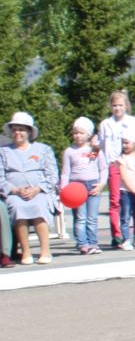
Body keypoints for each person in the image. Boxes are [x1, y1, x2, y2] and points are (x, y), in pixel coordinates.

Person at [5, 112, 59, 264]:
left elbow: (52, 175)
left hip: (39, 191)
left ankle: (45, 251)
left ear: (29, 131)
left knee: (39, 206)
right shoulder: (3, 152)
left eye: (21, 129)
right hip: (15, 193)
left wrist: (38, 189)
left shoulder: (44, 149)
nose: (17, 133)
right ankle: (26, 252)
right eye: (14, 129)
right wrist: (15, 190)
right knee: (17, 207)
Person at [97, 91, 135, 248]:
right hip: (113, 164)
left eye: (120, 105)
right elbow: (101, 145)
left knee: (133, 198)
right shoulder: (105, 124)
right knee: (115, 200)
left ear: (126, 106)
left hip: (129, 163)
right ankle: (117, 234)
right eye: (114, 105)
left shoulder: (133, 122)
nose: (117, 108)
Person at [60, 117, 109, 255]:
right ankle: (82, 243)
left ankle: (93, 243)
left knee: (92, 217)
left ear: (88, 134)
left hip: (93, 185)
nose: (78, 135)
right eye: (75, 132)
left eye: (81, 133)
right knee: (81, 217)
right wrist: (64, 189)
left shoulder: (94, 149)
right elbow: (65, 172)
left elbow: (103, 168)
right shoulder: (69, 151)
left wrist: (101, 184)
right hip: (77, 187)